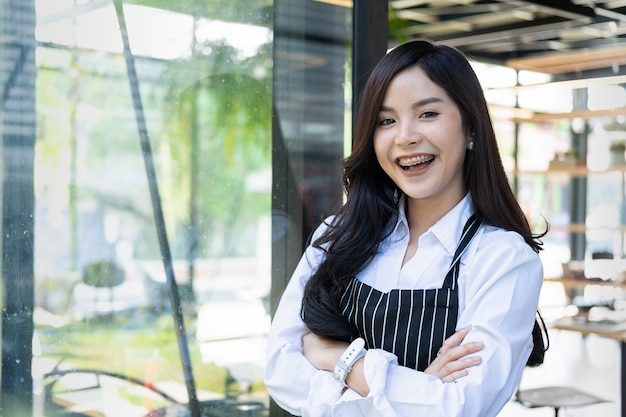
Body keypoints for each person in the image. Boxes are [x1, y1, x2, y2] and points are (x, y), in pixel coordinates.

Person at [264, 38, 546, 417]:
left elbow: (459, 408)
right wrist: (416, 387)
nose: (405, 136)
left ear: (471, 127)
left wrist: (336, 358)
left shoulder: (503, 258)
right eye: (386, 120)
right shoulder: (337, 235)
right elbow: (280, 370)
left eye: (427, 113)